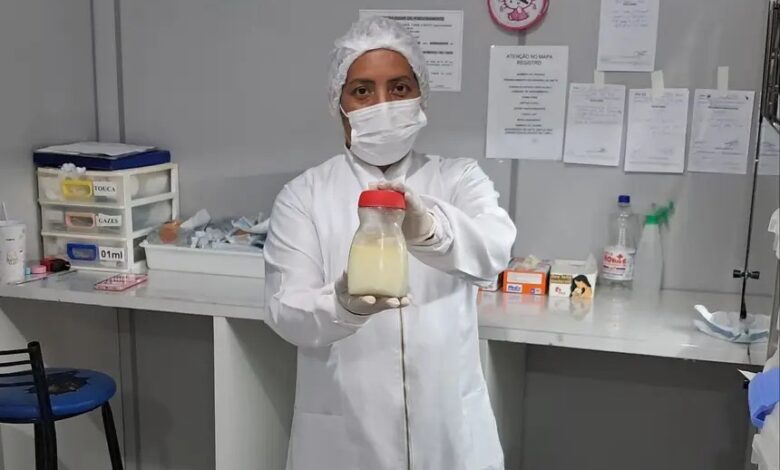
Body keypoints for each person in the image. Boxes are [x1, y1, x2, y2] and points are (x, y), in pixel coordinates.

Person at [264, 16, 516, 470]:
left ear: (421, 96)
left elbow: (495, 250)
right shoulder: (305, 196)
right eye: (362, 90)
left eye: (399, 88)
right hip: (345, 434)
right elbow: (286, 311)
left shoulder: (458, 179)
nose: (382, 104)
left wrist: (433, 230)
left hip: (449, 430)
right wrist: (342, 305)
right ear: (339, 103)